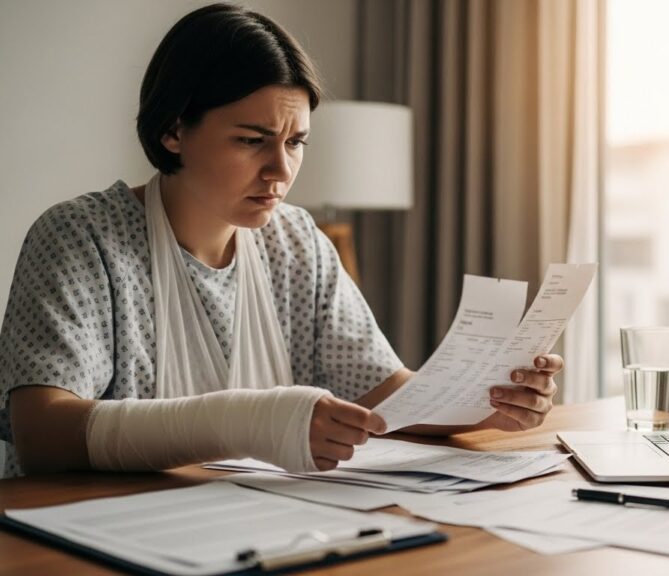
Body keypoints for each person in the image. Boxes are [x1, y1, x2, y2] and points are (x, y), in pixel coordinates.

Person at [0, 3, 561, 478]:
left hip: (254, 523)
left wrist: (484, 406)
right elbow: (42, 436)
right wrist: (254, 420)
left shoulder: (297, 242)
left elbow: (380, 395)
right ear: (173, 130)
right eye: (252, 140)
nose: (280, 170)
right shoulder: (81, 238)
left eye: (296, 143)